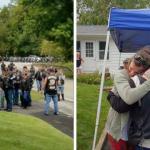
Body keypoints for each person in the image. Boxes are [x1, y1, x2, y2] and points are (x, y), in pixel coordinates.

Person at [105, 46, 150, 150]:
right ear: (130, 61)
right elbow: (125, 102)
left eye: (137, 72)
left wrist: (111, 96)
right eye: (131, 69)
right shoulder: (121, 75)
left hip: (135, 129)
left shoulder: (142, 79)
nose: (132, 73)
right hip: (120, 128)